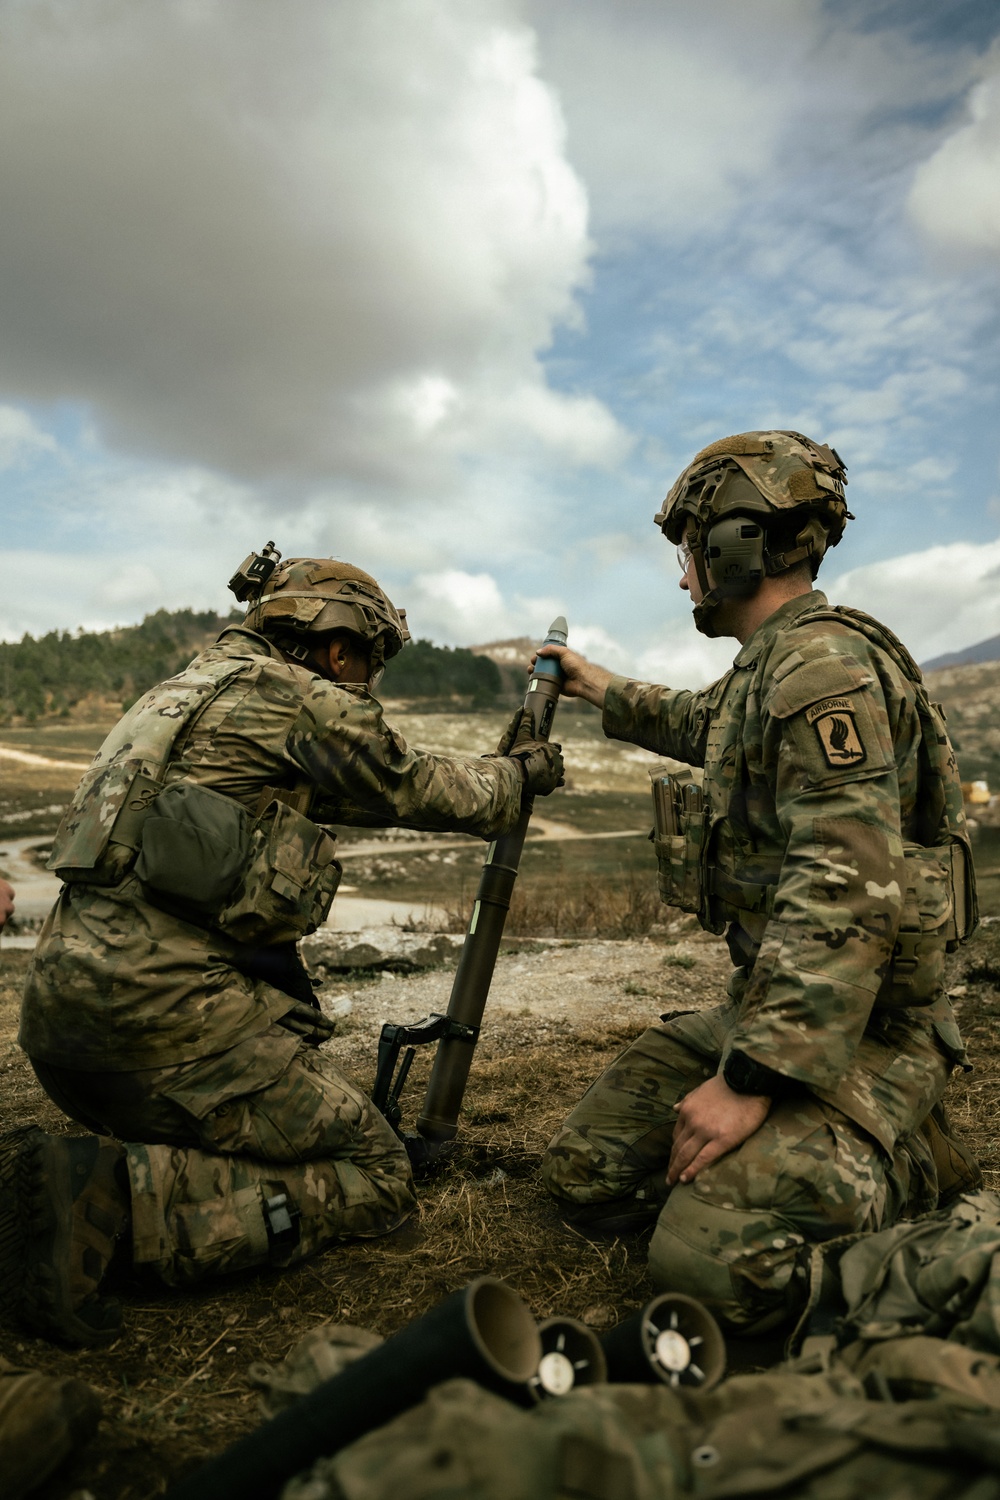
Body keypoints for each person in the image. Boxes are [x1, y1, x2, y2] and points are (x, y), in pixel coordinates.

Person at [0, 547, 563, 1346]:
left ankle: (115, 1174)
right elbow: (418, 785)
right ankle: (109, 1206)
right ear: (339, 649)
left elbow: (358, 795)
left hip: (64, 1038)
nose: (368, 685)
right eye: (368, 665)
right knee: (375, 1171)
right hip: (162, 1039)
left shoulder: (174, 699)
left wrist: (491, 770)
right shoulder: (300, 698)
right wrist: (520, 775)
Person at [539, 430, 979, 1336]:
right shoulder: (769, 669)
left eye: (688, 554)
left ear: (735, 545)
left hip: (875, 1033)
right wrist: (594, 686)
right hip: (777, 1013)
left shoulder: (820, 671)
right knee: (587, 1171)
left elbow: (844, 888)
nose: (683, 578)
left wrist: (751, 1080)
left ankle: (913, 1163)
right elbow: (699, 720)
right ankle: (829, 1156)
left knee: (710, 1266)